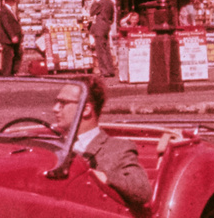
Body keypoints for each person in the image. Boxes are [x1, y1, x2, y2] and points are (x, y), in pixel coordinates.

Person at [53, 76, 152, 210]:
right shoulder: (52, 144)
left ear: (86, 110)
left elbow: (142, 190)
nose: (55, 108)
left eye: (63, 103)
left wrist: (103, 177)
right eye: (56, 102)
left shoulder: (117, 149)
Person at [88, 0, 117, 78]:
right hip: (106, 27)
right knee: (107, 49)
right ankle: (110, 69)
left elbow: (92, 12)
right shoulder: (110, 2)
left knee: (100, 50)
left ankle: (104, 71)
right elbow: (112, 17)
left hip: (99, 28)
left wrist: (94, 1)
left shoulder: (100, 2)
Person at [0, 0, 24, 76]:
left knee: (18, 54)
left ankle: (14, 71)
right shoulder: (4, 11)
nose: (15, 1)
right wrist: (12, 36)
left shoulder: (10, 10)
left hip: (15, 37)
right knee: (7, 56)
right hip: (8, 39)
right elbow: (6, 25)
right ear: (9, 0)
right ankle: (6, 74)